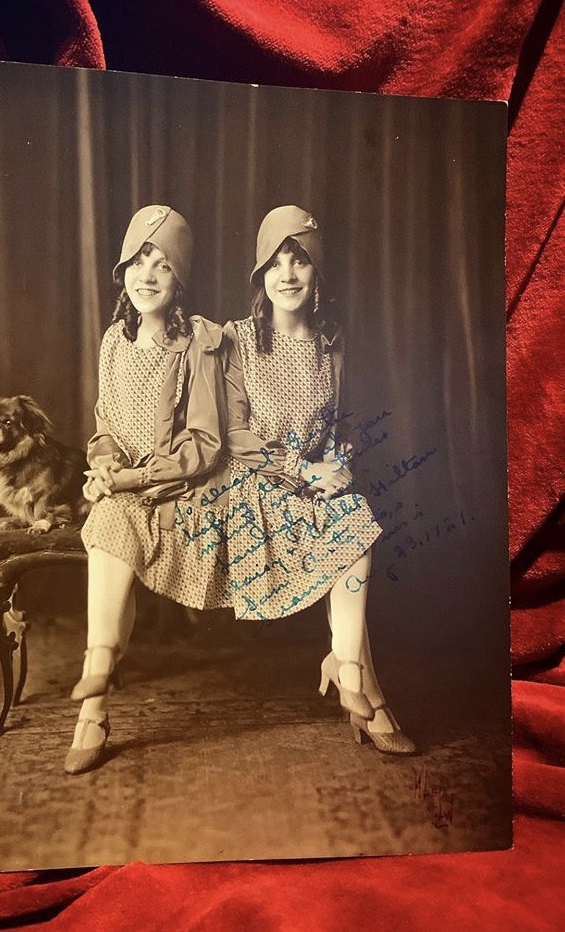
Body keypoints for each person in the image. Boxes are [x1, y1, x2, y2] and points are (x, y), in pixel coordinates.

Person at [222, 205, 416, 754]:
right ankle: (366, 695)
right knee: (349, 542)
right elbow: (234, 435)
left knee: (355, 529)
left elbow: (341, 422)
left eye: (300, 261)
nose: (288, 274)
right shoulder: (237, 340)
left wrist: (341, 462)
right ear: (261, 274)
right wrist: (303, 468)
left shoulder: (332, 342)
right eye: (277, 262)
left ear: (316, 275)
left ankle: (348, 669)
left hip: (314, 482)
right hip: (255, 484)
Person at [66, 205, 229, 774]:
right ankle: (96, 694)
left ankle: (97, 681)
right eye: (139, 262)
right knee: (109, 524)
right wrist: (105, 460)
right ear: (123, 272)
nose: (148, 275)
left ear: (179, 279)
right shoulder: (114, 340)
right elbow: (105, 421)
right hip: (124, 490)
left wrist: (133, 478)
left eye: (163, 265)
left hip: (183, 492)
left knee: (118, 519)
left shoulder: (200, 343)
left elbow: (207, 444)